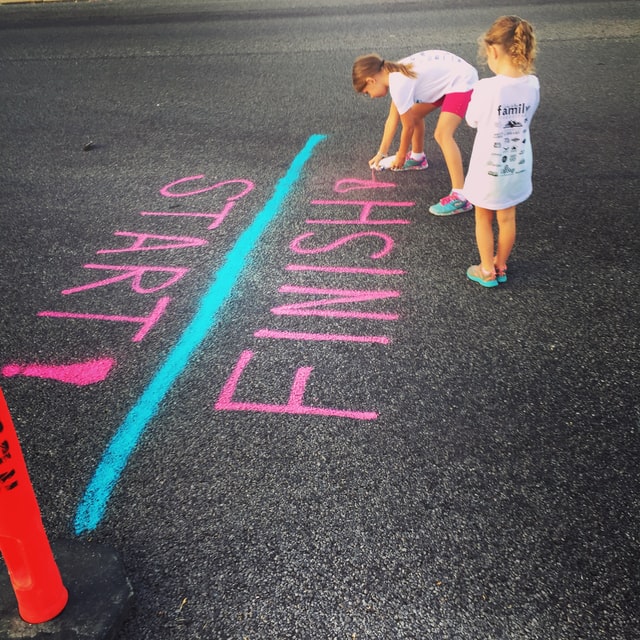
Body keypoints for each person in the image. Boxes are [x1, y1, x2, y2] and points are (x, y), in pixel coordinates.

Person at [352, 50, 478, 216]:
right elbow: (392, 119)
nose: (371, 97)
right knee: (415, 113)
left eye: (367, 92)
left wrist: (401, 155)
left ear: (371, 80)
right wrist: (381, 153)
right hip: (447, 80)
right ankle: (418, 158)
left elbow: (408, 126)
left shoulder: (398, 82)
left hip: (461, 81)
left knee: (442, 134)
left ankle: (460, 196)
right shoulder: (394, 73)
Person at [464, 16, 540, 287]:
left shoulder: (486, 88)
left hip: (489, 168)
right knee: (507, 218)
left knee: (483, 217)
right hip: (517, 165)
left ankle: (486, 270)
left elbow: (472, 120)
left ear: (493, 51)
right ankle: (501, 263)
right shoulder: (532, 84)